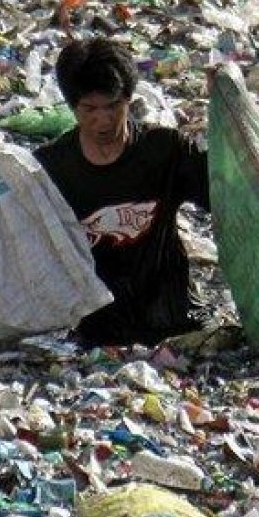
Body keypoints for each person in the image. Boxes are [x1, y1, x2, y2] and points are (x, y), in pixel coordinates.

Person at [34, 37, 210, 346]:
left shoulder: (165, 151)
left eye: (113, 105)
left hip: (171, 319)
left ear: (129, 99)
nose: (102, 120)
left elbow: (228, 198)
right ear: (72, 106)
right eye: (89, 108)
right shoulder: (50, 169)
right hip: (95, 330)